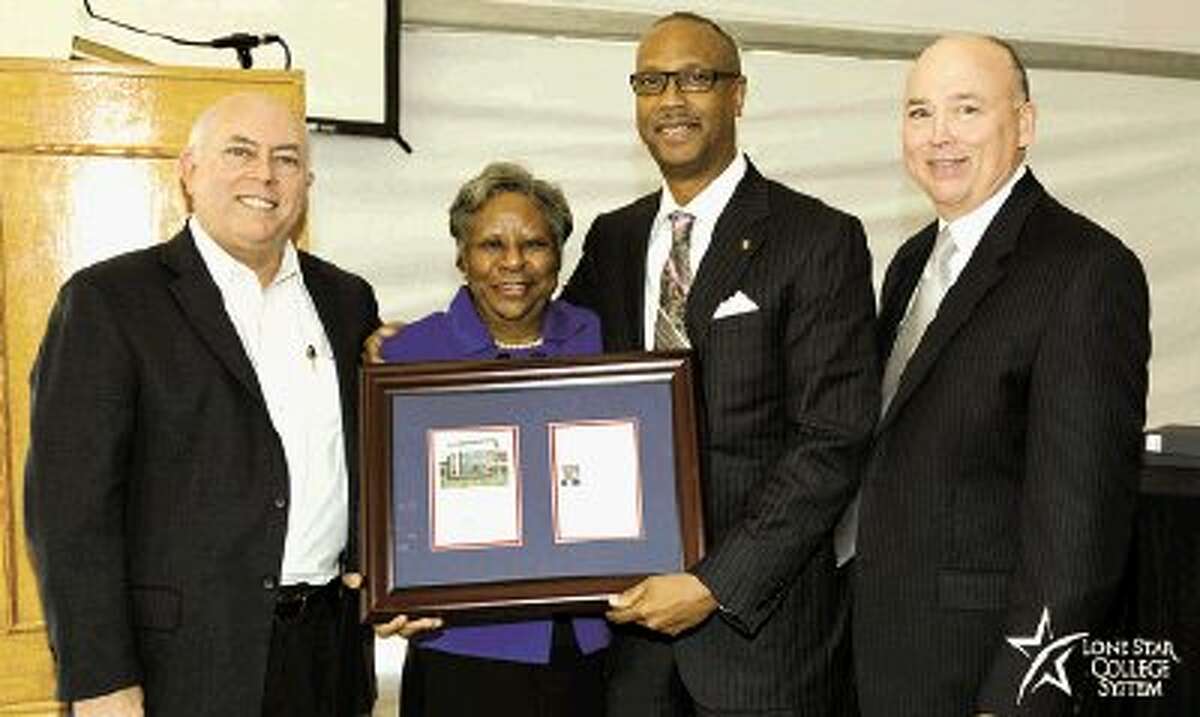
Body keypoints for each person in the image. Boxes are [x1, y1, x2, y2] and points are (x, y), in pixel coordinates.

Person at [560, 12, 879, 716]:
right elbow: (551, 374)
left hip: (765, 646)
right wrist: (414, 349)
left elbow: (833, 439)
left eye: (696, 78)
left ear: (738, 94)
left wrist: (712, 583)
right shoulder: (613, 239)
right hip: (633, 646)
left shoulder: (818, 239)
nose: (671, 99)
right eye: (651, 81)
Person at [24, 92, 380, 716]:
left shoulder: (347, 302)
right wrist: (100, 680)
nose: (264, 175)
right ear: (189, 171)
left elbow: (371, 453)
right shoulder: (109, 302)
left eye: (286, 159)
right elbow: (69, 511)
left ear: (308, 182)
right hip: (179, 669)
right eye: (239, 152)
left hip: (328, 658)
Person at [847, 35, 1150, 716]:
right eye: (919, 113)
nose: (939, 136)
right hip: (885, 657)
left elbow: (1081, 526)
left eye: (967, 109)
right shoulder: (910, 260)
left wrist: (1020, 694)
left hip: (984, 674)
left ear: (1025, 125)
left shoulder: (1085, 271)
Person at [375, 162, 608, 716]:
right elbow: (382, 500)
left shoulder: (602, 340)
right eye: (490, 245)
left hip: (586, 647)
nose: (513, 263)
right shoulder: (408, 357)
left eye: (534, 244)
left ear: (559, 256)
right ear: (462, 257)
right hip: (462, 647)